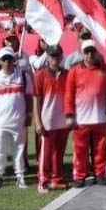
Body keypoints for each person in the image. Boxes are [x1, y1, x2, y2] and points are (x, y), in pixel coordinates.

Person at [65, 40, 106, 186]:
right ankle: (80, 176)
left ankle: (100, 174)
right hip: (81, 119)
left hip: (100, 118)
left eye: (92, 51)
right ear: (81, 53)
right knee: (80, 150)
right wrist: (69, 115)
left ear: (96, 52)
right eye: (87, 52)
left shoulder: (105, 69)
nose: (90, 55)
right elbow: (69, 94)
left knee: (101, 148)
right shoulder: (74, 71)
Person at [0, 48, 30, 189]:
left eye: (10, 59)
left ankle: (20, 176)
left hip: (18, 121)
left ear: (14, 60)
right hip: (0, 122)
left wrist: (29, 114)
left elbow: (29, 97)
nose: (7, 62)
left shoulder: (23, 77)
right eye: (4, 59)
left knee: (19, 150)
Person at [33, 45, 69, 193]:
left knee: (59, 152)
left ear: (62, 56)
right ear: (47, 57)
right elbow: (36, 100)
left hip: (63, 121)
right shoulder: (40, 75)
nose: (55, 58)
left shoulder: (67, 74)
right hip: (47, 121)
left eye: (58, 55)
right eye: (52, 55)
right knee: (45, 154)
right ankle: (43, 180)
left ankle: (56, 179)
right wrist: (37, 121)